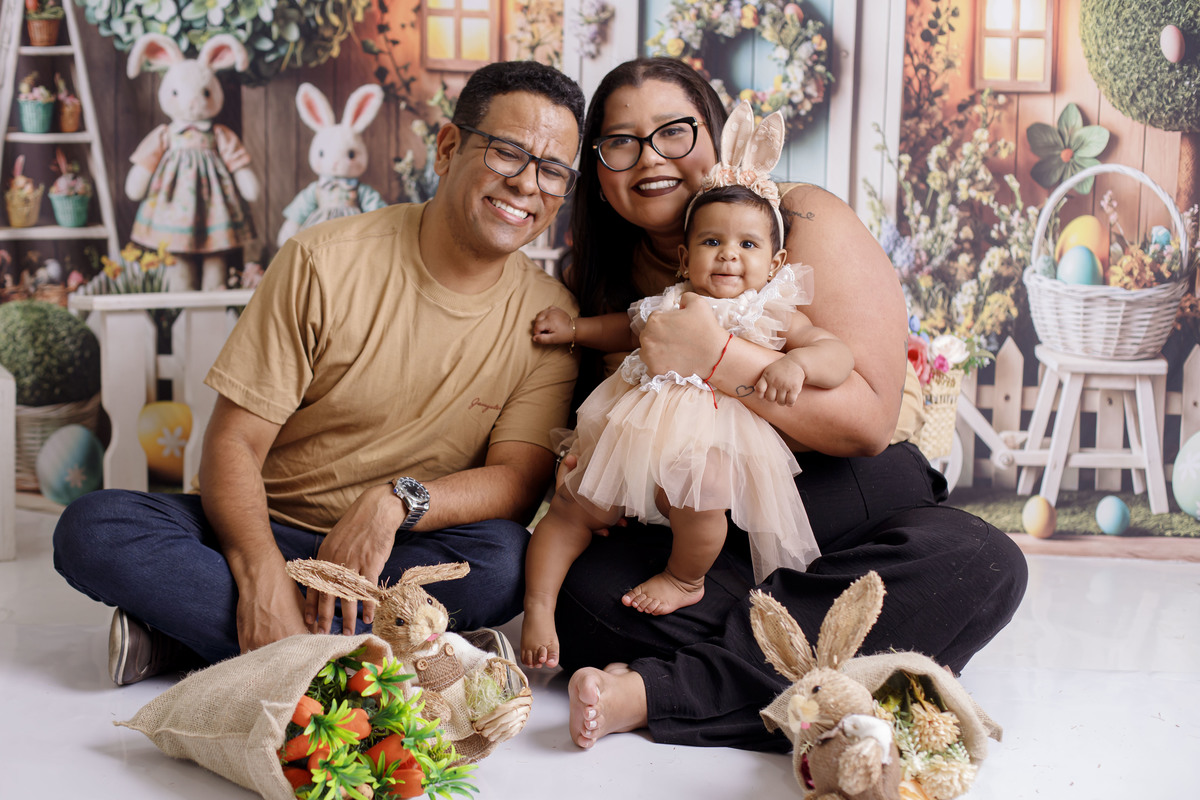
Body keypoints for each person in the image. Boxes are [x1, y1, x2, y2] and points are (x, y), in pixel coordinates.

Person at [52, 60, 587, 686]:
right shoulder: (322, 261)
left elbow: (517, 481)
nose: (527, 185)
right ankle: (396, 653)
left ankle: (195, 642)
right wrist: (259, 573)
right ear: (447, 148)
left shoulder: (551, 318)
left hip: (398, 549)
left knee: (505, 560)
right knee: (94, 530)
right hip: (264, 527)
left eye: (553, 171)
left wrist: (395, 503)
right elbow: (234, 443)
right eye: (507, 154)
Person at [552, 57, 1029, 752]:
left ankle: (665, 691)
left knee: (980, 560)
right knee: (584, 601)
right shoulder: (601, 273)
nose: (650, 157)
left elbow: (867, 424)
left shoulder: (800, 219)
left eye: (674, 131)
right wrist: (583, 472)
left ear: (718, 137)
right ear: (598, 168)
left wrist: (716, 357)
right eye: (621, 141)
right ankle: (859, 668)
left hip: (845, 498)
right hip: (709, 530)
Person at [521, 105, 853, 671]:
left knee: (703, 500)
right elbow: (623, 327)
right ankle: (538, 604)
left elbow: (836, 353)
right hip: (630, 434)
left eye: (748, 245)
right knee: (572, 505)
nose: (729, 254)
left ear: (775, 263)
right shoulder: (672, 300)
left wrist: (798, 365)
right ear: (685, 255)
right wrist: (575, 329)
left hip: (711, 443)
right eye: (712, 241)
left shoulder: (771, 313)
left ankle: (684, 578)